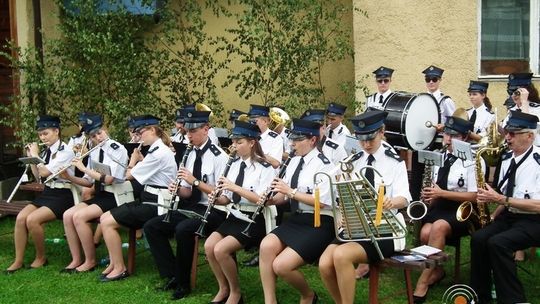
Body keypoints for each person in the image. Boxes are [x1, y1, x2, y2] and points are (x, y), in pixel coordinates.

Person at [318, 110, 411, 304]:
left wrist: (391, 202)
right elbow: (346, 193)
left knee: (341, 256)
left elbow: (405, 198)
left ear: (382, 131)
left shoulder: (394, 161)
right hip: (357, 226)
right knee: (325, 264)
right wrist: (343, 211)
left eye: (371, 139)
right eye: (362, 140)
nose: (366, 144)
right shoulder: (355, 160)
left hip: (386, 229)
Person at [143, 109, 229, 300]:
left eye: (193, 131)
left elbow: (223, 196)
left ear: (206, 129)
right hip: (193, 206)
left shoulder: (219, 156)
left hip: (215, 210)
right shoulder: (189, 153)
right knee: (152, 226)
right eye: (187, 132)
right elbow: (188, 192)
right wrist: (177, 189)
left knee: (183, 229)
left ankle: (183, 284)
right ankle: (173, 274)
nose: (188, 135)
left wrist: (195, 181)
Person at [259, 118, 335, 304]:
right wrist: (271, 200)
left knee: (281, 266)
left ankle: (308, 295)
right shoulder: (293, 161)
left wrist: (291, 191)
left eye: (298, 139)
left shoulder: (325, 165)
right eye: (293, 139)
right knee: (266, 246)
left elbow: (323, 203)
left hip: (320, 221)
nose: (292, 143)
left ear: (312, 140)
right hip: (298, 218)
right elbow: (284, 196)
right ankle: (270, 301)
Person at [471, 111, 540, 304]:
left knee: (498, 243)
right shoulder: (507, 158)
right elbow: (507, 193)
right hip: (509, 215)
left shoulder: (538, 161)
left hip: (534, 219)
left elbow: (537, 205)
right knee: (479, 238)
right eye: (507, 133)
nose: (507, 137)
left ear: (530, 136)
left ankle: (514, 300)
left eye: (513, 134)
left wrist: (501, 199)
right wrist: (493, 213)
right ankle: (479, 296)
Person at [98, 115, 177, 282]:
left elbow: (128, 175)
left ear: (153, 130)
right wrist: (141, 160)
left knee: (107, 222)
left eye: (141, 132)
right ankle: (114, 263)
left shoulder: (158, 152)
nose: (138, 137)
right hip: (149, 199)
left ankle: (119, 268)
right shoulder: (157, 150)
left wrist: (133, 160)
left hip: (157, 204)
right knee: (104, 217)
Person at [204, 120, 275, 304]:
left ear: (252, 143)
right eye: (233, 142)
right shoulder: (234, 164)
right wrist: (216, 198)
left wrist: (235, 187)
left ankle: (235, 293)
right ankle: (223, 287)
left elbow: (263, 200)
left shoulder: (265, 168)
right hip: (235, 215)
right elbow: (227, 198)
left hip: (254, 218)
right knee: (209, 246)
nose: (234, 146)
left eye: (239, 142)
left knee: (221, 249)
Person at [412, 115, 479, 303]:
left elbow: (475, 196)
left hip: (463, 209)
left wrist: (442, 194)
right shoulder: (440, 156)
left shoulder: (473, 161)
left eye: (453, 136)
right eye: (446, 135)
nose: (447, 139)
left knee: (438, 227)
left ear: (465, 137)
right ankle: (438, 270)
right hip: (441, 206)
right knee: (425, 232)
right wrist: (429, 198)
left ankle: (423, 282)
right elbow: (435, 188)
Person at [5, 115, 76, 273]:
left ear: (56, 131)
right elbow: (39, 177)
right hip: (49, 192)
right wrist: (31, 159)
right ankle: (18, 260)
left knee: (33, 220)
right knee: (21, 218)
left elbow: (45, 171)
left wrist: (36, 156)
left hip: (64, 194)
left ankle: (41, 257)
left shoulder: (66, 151)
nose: (43, 137)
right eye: (40, 134)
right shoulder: (46, 152)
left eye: (46, 133)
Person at [60, 114, 128, 273]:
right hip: (101, 196)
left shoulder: (117, 149)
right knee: (67, 215)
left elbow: (109, 179)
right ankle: (77, 258)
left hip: (115, 196)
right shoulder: (94, 151)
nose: (98, 137)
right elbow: (89, 181)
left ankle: (90, 260)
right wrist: (69, 177)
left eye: (100, 132)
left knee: (79, 216)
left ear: (106, 129)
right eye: (93, 135)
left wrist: (84, 168)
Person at [248, 104, 284, 168]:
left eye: (254, 121)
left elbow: (275, 163)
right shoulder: (248, 136)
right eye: (250, 122)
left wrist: (255, 153)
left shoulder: (276, 139)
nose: (251, 124)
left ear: (265, 121)